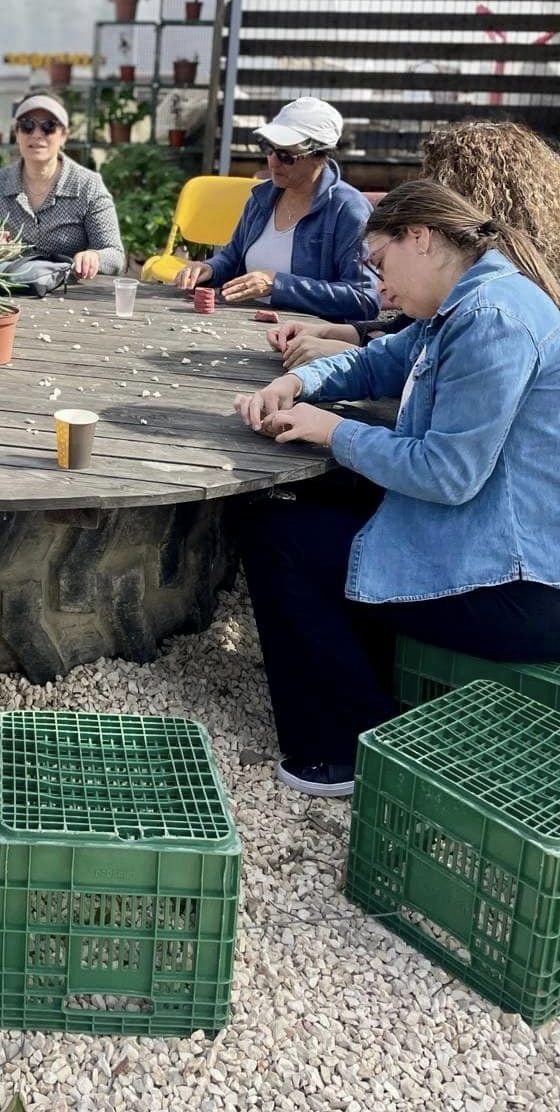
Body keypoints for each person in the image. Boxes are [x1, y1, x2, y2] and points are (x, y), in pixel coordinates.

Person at [233, 178, 560, 798]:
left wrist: (331, 432)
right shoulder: (466, 300)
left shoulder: (492, 319)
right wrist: (301, 385)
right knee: (313, 509)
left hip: (519, 585)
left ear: (421, 238)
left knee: (276, 533)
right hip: (490, 542)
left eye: (380, 263)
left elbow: (447, 474)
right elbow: (376, 360)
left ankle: (343, 748)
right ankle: (368, 698)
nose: (378, 285)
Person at [269, 119, 560, 369]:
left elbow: (443, 372)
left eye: (436, 183)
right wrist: (332, 332)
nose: (428, 192)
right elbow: (409, 334)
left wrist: (352, 355)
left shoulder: (494, 306)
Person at [173, 97, 378, 320]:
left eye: (285, 156)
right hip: (244, 323)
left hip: (310, 337)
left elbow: (363, 299)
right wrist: (210, 269)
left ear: (319, 156)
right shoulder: (262, 197)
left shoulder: (347, 209)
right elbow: (233, 258)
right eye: (269, 149)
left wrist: (277, 284)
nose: (272, 161)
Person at [0, 92, 125, 279]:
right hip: (10, 294)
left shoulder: (88, 185)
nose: (37, 134)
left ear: (64, 136)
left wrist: (94, 256)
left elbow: (116, 255)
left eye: (49, 126)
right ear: (17, 134)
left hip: (72, 295)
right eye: (27, 126)